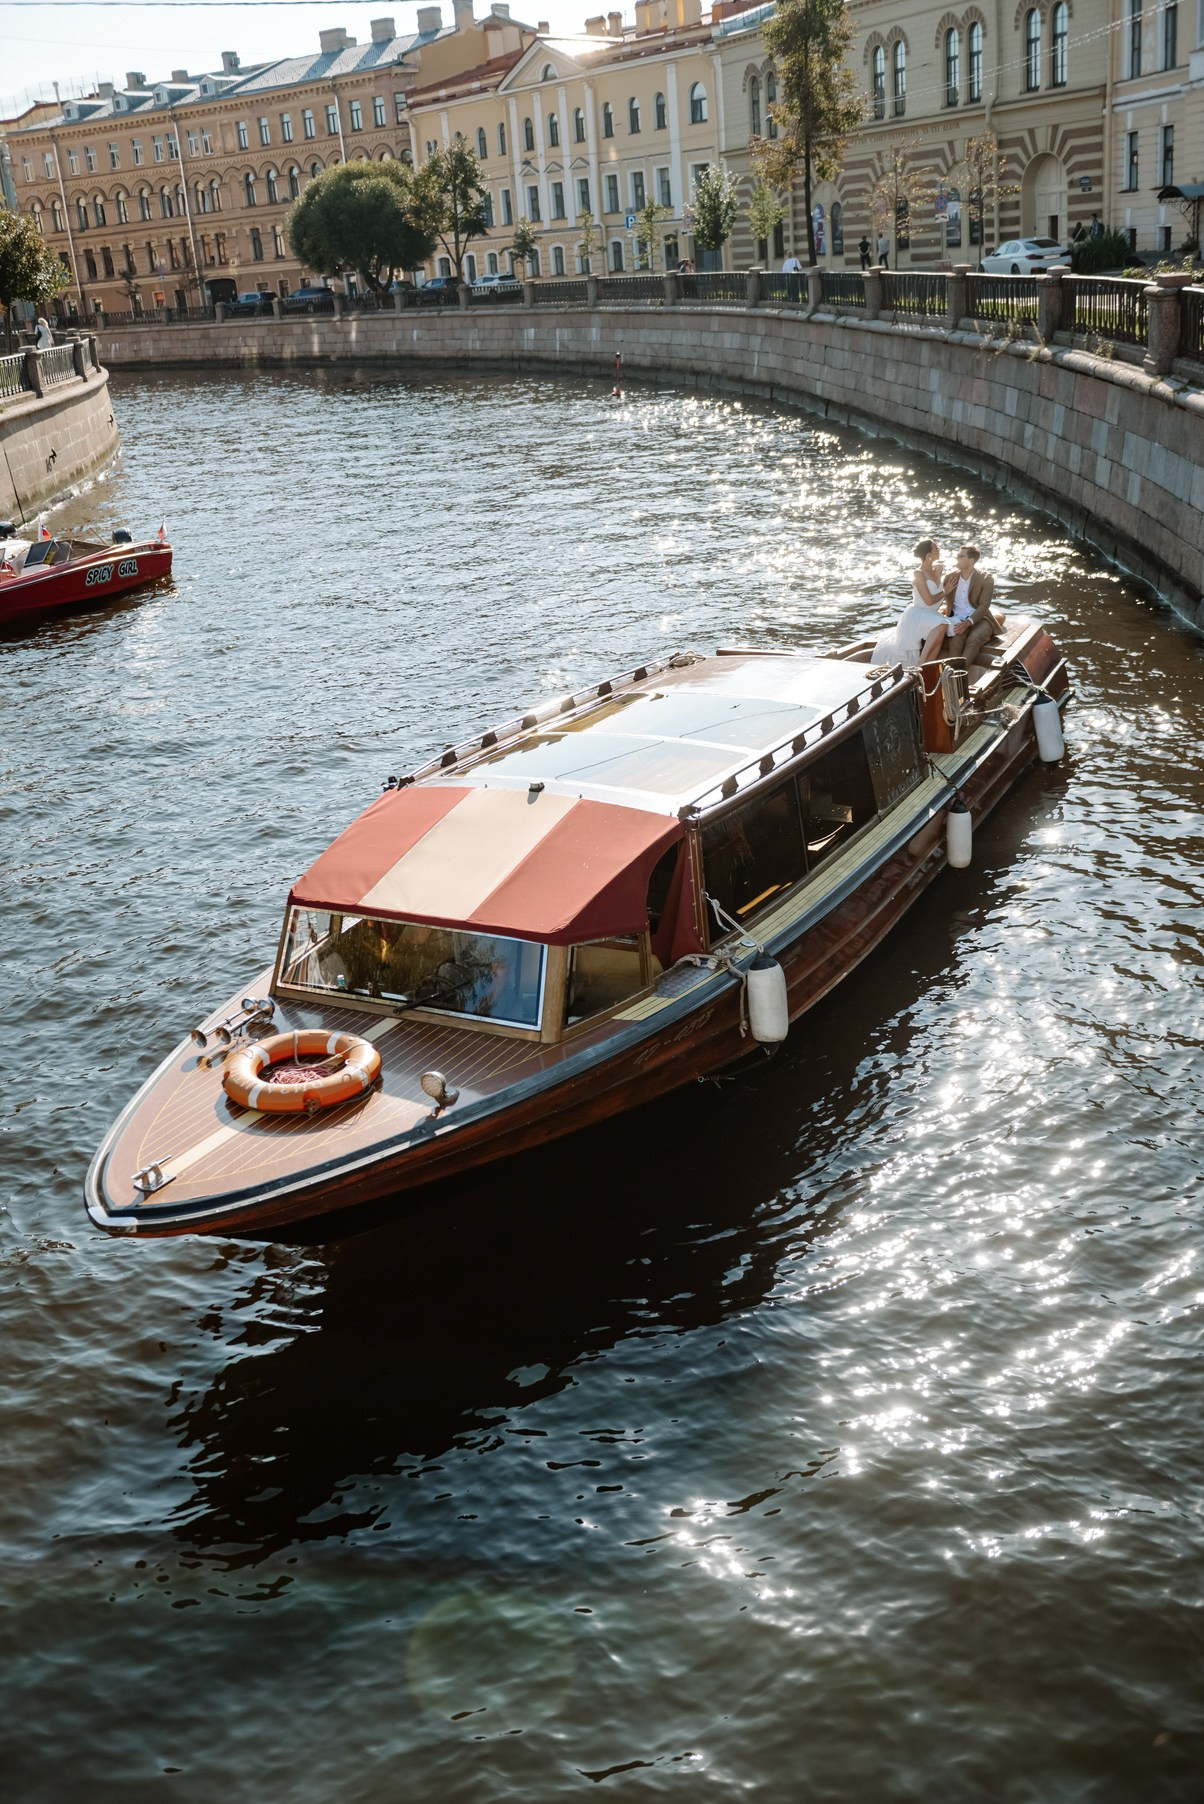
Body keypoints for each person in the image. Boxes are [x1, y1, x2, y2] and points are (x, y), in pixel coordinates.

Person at [870, 539, 950, 668]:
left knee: (943, 627)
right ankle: (921, 661)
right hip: (918, 614)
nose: (939, 550)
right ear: (928, 555)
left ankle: (927, 666)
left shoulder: (939, 569)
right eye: (936, 549)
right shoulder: (918, 574)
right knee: (942, 624)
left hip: (932, 614)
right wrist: (946, 591)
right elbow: (928, 601)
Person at [943, 543, 1004, 666]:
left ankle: (960, 674)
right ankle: (952, 675)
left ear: (971, 560)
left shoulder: (986, 578)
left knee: (974, 638)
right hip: (957, 620)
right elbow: (938, 598)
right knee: (955, 642)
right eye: (957, 555)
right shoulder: (950, 577)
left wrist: (968, 622)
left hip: (980, 619)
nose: (957, 558)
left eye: (961, 556)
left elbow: (984, 606)